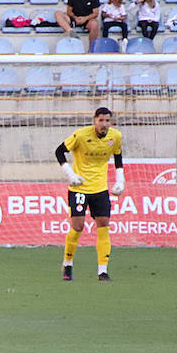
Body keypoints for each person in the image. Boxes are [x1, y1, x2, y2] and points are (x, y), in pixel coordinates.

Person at [56, 106, 124, 282]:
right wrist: (71, 174)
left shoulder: (115, 137)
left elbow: (118, 158)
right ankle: (68, 264)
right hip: (79, 188)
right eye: (101, 120)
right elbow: (59, 152)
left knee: (104, 225)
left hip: (100, 189)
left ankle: (102, 271)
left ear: (111, 122)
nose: (104, 124)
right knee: (77, 226)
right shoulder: (81, 135)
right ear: (94, 120)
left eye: (107, 120)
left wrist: (120, 180)